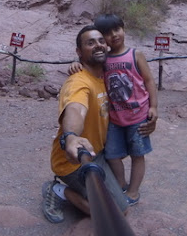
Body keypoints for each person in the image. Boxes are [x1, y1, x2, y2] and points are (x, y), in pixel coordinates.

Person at [43, 25, 152, 224]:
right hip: (74, 161)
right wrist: (71, 136)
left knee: (119, 204)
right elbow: (76, 108)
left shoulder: (107, 76)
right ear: (79, 52)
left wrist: (150, 117)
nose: (98, 45)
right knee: (114, 213)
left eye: (101, 41)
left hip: (99, 154)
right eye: (90, 43)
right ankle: (58, 191)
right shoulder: (78, 82)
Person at [70, 14, 158, 206]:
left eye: (117, 29)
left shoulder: (136, 55)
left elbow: (149, 80)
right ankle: (120, 182)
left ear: (124, 29)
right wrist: (76, 63)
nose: (114, 35)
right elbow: (88, 64)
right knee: (112, 154)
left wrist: (153, 107)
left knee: (137, 154)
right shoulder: (104, 59)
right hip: (115, 119)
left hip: (138, 117)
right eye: (107, 34)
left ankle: (133, 191)